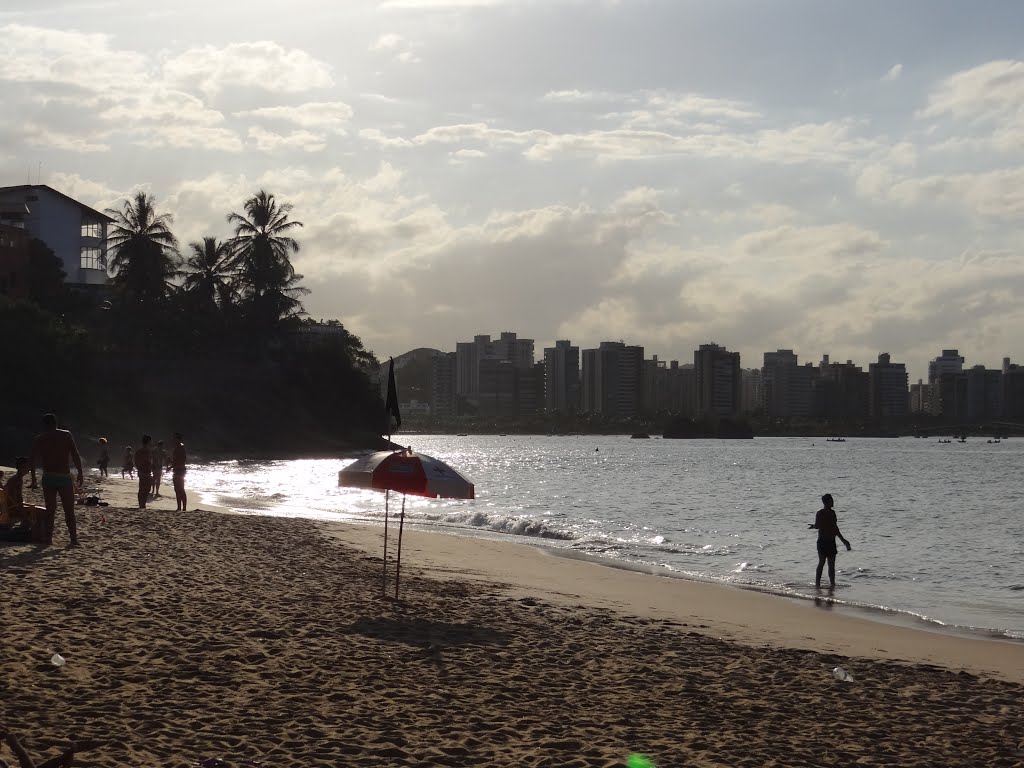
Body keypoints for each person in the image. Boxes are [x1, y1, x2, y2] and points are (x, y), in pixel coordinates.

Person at [28, 413, 84, 546]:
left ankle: (48, 540)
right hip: (63, 477)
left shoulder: (40, 438)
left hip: (48, 477)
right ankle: (74, 540)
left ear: (45, 425)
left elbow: (32, 459)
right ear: (56, 423)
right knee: (69, 510)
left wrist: (34, 478)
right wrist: (80, 473)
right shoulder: (66, 435)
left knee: (50, 510)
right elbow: (75, 454)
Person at [808, 493, 851, 589]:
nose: (833, 502)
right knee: (822, 563)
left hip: (831, 541)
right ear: (826, 502)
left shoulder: (833, 513)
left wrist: (844, 541)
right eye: (831, 500)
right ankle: (817, 584)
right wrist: (814, 526)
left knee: (831, 565)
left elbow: (835, 528)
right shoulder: (820, 513)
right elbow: (818, 525)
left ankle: (832, 585)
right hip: (822, 542)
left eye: (832, 500)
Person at [134, 435, 154, 509]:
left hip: (141, 471)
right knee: (146, 488)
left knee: (142, 488)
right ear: (148, 441)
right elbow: (148, 461)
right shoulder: (147, 451)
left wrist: (139, 467)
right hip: (146, 471)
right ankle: (142, 504)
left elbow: (136, 461)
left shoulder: (139, 451)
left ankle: (141, 504)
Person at [171, 433, 187, 511]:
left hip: (180, 470)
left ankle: (183, 508)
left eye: (176, 439)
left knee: (181, 489)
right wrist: (171, 466)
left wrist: (172, 464)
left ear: (179, 439)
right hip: (177, 470)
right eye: (175, 439)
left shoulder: (181, 447)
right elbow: (175, 461)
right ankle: (179, 507)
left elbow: (181, 460)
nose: (175, 440)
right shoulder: (177, 448)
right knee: (177, 489)